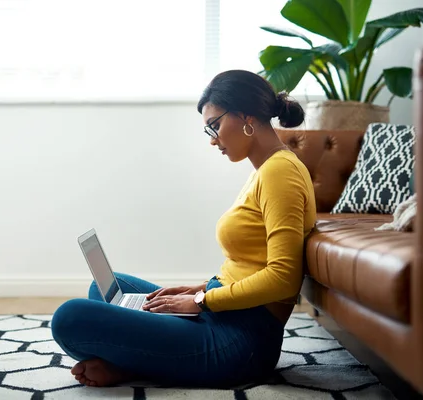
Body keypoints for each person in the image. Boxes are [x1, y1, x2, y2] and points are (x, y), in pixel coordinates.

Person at [51, 70, 317, 388]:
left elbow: (283, 280)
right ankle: (140, 363)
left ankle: (133, 365)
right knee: (108, 289)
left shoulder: (279, 172)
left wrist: (202, 301)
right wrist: (197, 289)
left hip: (243, 340)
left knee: (70, 317)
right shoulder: (265, 169)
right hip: (224, 312)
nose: (212, 139)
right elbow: (249, 264)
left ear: (246, 115)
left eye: (214, 125)